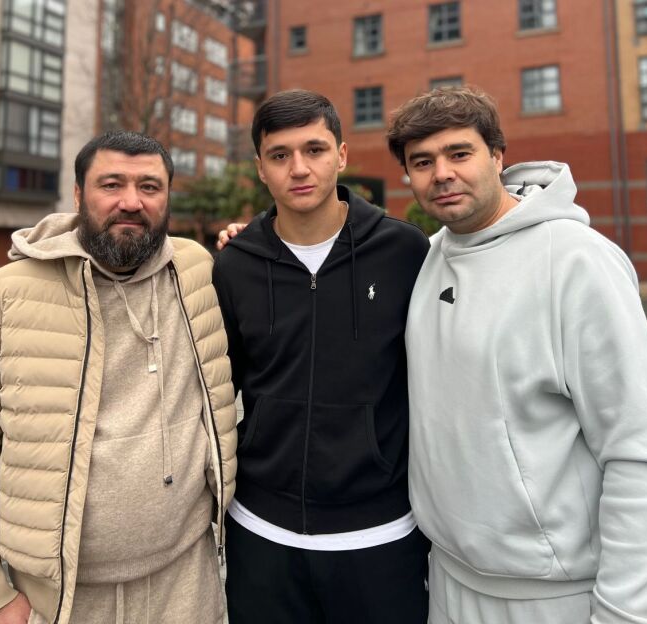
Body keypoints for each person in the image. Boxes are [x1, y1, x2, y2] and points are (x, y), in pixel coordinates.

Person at [386, 86, 647, 623]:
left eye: (459, 153)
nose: (442, 174)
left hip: (554, 595)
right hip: (448, 579)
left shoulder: (578, 262)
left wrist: (626, 609)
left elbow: (636, 447)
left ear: (497, 156)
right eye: (423, 162)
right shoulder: (427, 258)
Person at [0, 131, 237, 624]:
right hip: (58, 602)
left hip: (187, 584)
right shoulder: (7, 294)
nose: (131, 201)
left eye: (149, 187)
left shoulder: (197, 271)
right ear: (78, 194)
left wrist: (251, 238)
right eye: (111, 184)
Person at [212, 89, 431, 624]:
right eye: (279, 155)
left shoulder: (405, 253)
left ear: (341, 155)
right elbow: (219, 388)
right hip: (261, 531)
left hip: (379, 534)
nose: (299, 168)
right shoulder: (235, 265)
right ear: (260, 168)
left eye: (314, 149)